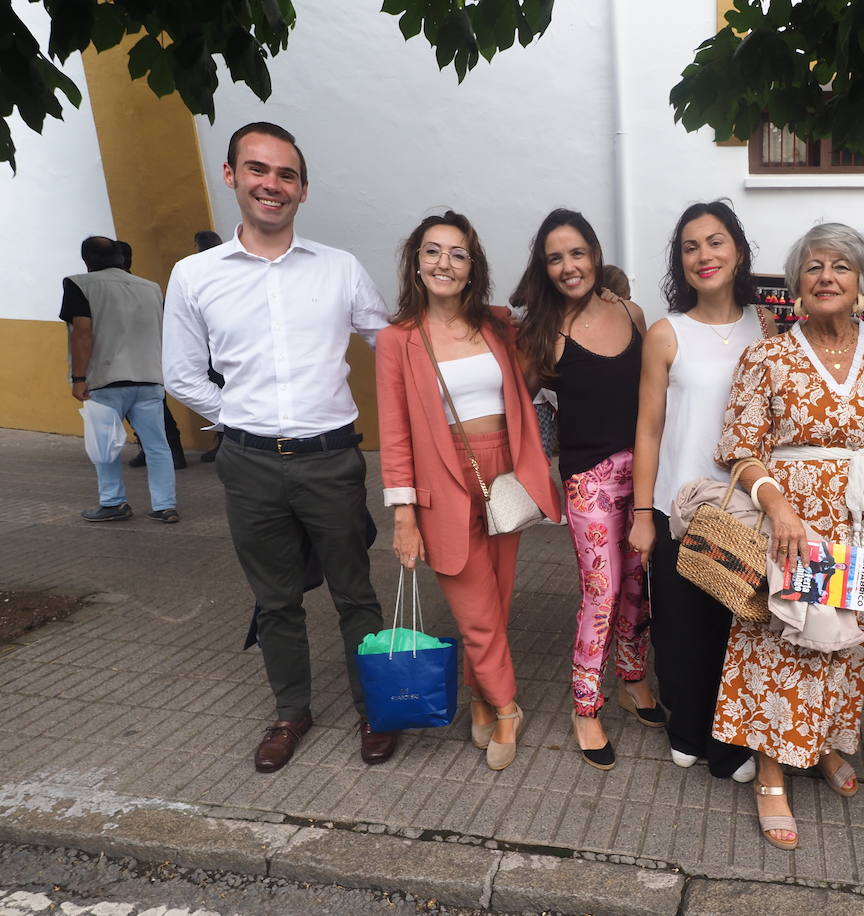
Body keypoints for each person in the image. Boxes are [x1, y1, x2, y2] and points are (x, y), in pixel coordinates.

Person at [162, 121, 398, 773]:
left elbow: (392, 347)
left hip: (331, 460)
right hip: (249, 464)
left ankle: (375, 708)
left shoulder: (340, 269)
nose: (273, 184)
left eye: (286, 174)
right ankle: (292, 711)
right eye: (258, 170)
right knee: (275, 599)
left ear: (303, 189)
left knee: (356, 594)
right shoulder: (195, 276)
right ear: (232, 175)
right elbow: (182, 374)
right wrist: (240, 417)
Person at [712, 222, 864, 849]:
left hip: (857, 526)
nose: (826, 277)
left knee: (841, 642)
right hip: (794, 526)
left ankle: (822, 744)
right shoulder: (768, 355)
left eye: (839, 266)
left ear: (861, 281)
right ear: (797, 284)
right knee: (783, 639)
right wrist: (777, 507)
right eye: (812, 267)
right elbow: (738, 450)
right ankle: (772, 769)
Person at [376, 211, 560, 771]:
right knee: (474, 608)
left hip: (502, 472)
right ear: (415, 261)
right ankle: (507, 707)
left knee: (497, 602)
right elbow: (395, 435)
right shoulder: (396, 340)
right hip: (442, 479)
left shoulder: (498, 325)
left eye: (458, 254)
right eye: (433, 252)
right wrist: (403, 516)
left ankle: (480, 694)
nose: (444, 263)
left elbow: (554, 320)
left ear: (472, 266)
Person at [627, 201, 770, 784]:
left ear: (737, 250)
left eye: (715, 242)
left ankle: (732, 739)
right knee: (681, 626)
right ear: (680, 262)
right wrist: (641, 512)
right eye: (690, 247)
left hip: (747, 505)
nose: (704, 256)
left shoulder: (771, 327)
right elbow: (649, 427)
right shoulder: (667, 333)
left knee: (740, 622)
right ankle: (688, 726)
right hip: (676, 507)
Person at [513, 208, 658, 771]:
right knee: (602, 593)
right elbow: (518, 406)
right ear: (544, 268)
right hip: (589, 483)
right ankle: (585, 705)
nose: (568, 266)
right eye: (555, 258)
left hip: (643, 472)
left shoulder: (632, 312)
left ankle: (631, 678)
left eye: (577, 253)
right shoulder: (542, 334)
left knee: (638, 585)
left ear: (595, 254)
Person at [61, 235, 180, 523]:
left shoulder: (79, 284)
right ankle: (165, 505)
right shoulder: (151, 288)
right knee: (157, 446)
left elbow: (83, 332)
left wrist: (79, 377)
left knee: (105, 447)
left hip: (104, 379)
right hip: (149, 378)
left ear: (86, 260)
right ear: (119, 257)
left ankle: (113, 502)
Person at [114, 240, 187, 472]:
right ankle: (151, 448)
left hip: (141, 355)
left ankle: (173, 451)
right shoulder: (147, 287)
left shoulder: (142, 288)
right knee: (142, 409)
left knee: (155, 408)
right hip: (142, 355)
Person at [191, 230, 228, 463]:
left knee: (217, 394)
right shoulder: (232, 268)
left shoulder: (196, 272)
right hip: (230, 342)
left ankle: (225, 442)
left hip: (211, 344)